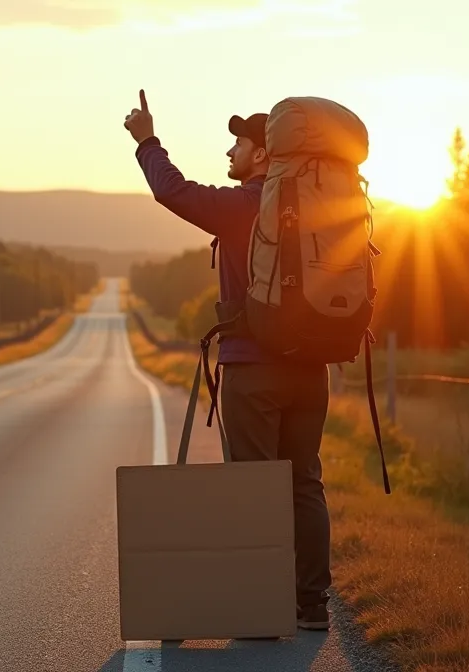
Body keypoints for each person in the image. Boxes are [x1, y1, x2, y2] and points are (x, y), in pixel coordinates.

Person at [123, 90, 333, 631]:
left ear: (262, 154)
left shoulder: (245, 206)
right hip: (313, 370)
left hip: (253, 370)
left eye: (238, 143)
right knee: (305, 482)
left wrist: (147, 141)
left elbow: (173, 192)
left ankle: (260, 604)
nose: (230, 151)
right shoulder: (319, 207)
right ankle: (312, 604)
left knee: (253, 487)